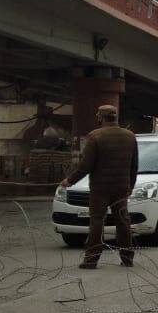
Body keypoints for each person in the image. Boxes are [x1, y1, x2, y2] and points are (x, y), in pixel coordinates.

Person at [60, 105, 138, 269]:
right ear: (115, 117)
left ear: (101, 118)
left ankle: (91, 259)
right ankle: (127, 258)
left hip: (100, 189)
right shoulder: (130, 137)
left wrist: (70, 180)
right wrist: (130, 185)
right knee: (123, 222)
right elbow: (134, 165)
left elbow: (85, 166)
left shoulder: (95, 136)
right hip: (121, 187)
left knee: (96, 222)